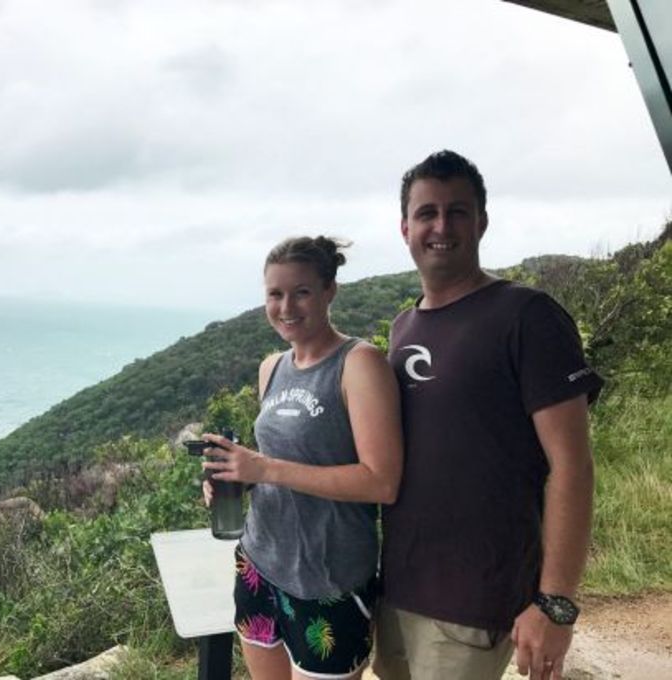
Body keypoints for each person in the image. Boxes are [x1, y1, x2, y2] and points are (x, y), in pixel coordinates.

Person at [373, 150, 604, 680]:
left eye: (457, 211)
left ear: (482, 221)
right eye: (427, 213)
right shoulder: (403, 325)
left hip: (474, 599)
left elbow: (573, 466)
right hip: (398, 590)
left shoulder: (526, 315)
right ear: (404, 227)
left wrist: (556, 604)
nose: (441, 226)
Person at [201, 235, 404, 680]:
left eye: (302, 292)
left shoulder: (359, 364)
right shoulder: (272, 367)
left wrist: (265, 468)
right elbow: (279, 460)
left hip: (328, 578)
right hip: (259, 562)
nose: (286, 306)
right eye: (275, 294)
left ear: (330, 291)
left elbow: (382, 481)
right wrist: (240, 476)